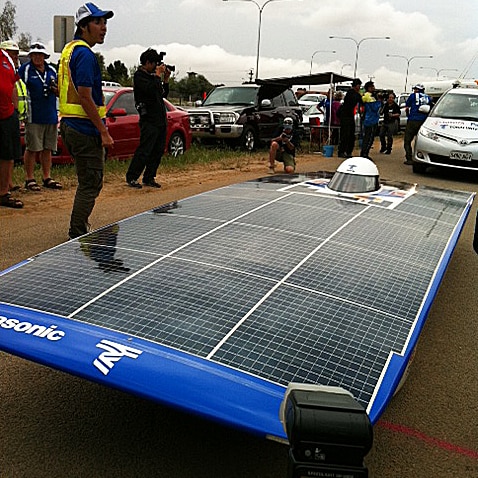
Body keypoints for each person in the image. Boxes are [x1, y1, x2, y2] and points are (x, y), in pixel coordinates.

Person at [58, 2, 114, 239]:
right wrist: (103, 131)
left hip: (71, 126)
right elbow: (84, 95)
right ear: (83, 26)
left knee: (88, 180)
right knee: (90, 182)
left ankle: (79, 227)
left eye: (105, 23)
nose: (103, 27)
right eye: (98, 22)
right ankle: (77, 233)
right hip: (84, 129)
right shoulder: (84, 54)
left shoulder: (69, 51)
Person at [125, 48, 171, 189]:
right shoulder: (139, 77)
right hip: (148, 119)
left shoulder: (153, 77)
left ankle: (149, 177)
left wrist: (166, 80)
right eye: (154, 64)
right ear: (147, 63)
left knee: (158, 150)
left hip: (160, 119)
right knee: (145, 149)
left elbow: (162, 94)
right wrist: (157, 76)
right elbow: (150, 90)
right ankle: (132, 177)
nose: (156, 67)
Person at [19, 42, 62, 191]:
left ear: (45, 56)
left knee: (47, 148)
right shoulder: (25, 70)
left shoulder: (51, 70)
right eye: (34, 55)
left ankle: (46, 176)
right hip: (33, 115)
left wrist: (55, 89)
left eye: (40, 55)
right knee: (32, 148)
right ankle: (29, 178)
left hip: (50, 114)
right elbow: (20, 89)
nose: (37, 57)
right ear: (31, 56)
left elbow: (59, 90)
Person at [0, 40, 23, 208]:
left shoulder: (9, 62)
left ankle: (5, 187)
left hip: (9, 114)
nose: (16, 55)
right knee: (5, 154)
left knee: (9, 154)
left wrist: (15, 110)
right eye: (13, 52)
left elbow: (13, 86)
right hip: (3, 114)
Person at [403, 84, 432, 165]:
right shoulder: (428, 97)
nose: (414, 90)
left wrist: (408, 115)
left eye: (415, 89)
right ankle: (423, 158)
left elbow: (407, 107)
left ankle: (409, 158)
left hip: (413, 120)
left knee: (407, 141)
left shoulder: (412, 96)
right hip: (423, 122)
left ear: (418, 90)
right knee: (421, 141)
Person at [338, 78, 363, 158]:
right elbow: (359, 99)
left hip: (350, 115)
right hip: (345, 116)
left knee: (351, 135)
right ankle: (342, 151)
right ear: (356, 86)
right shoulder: (351, 93)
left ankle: (348, 151)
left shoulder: (355, 94)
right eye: (359, 86)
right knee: (345, 134)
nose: (359, 88)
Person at [360, 81, 382, 160]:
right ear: (369, 88)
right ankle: (364, 154)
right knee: (369, 138)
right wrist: (379, 101)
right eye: (372, 87)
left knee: (367, 137)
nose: (374, 88)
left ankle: (364, 153)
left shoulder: (366, 96)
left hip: (368, 119)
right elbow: (375, 108)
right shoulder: (369, 96)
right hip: (371, 120)